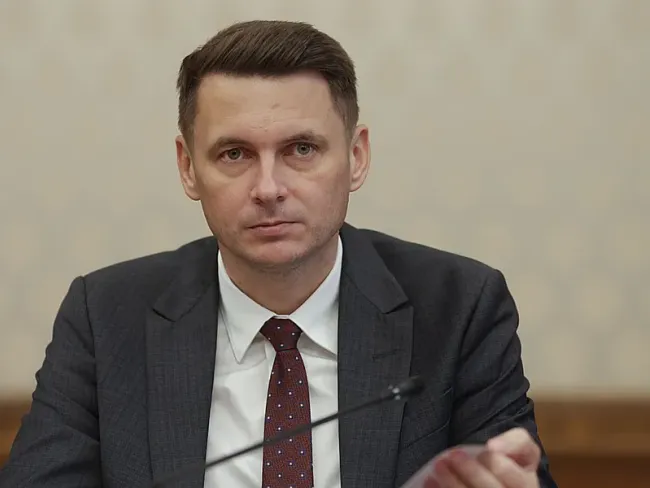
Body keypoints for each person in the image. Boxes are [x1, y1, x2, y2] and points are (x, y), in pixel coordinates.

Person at [0, 20, 557, 488]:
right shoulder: (105, 316)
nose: (268, 188)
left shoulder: (460, 307)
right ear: (188, 167)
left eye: (301, 149)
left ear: (357, 157)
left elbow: (509, 474)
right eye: (235, 154)